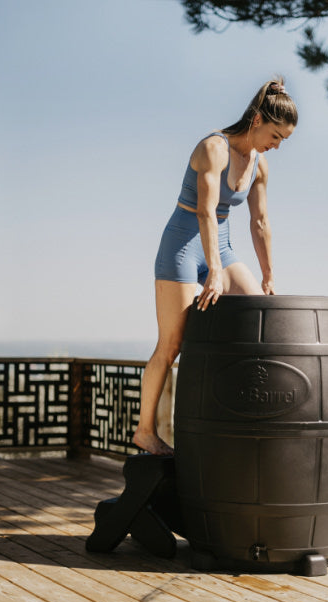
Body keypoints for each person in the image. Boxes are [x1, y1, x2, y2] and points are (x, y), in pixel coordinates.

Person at [132, 78, 298, 455]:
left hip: (220, 248)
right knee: (171, 344)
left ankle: (235, 418)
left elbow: (260, 223)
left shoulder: (260, 165)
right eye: (276, 135)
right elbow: (206, 211)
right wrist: (214, 270)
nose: (277, 145)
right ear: (257, 120)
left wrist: (269, 274)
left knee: (258, 316)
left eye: (283, 140)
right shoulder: (213, 148)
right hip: (181, 248)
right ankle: (145, 431)